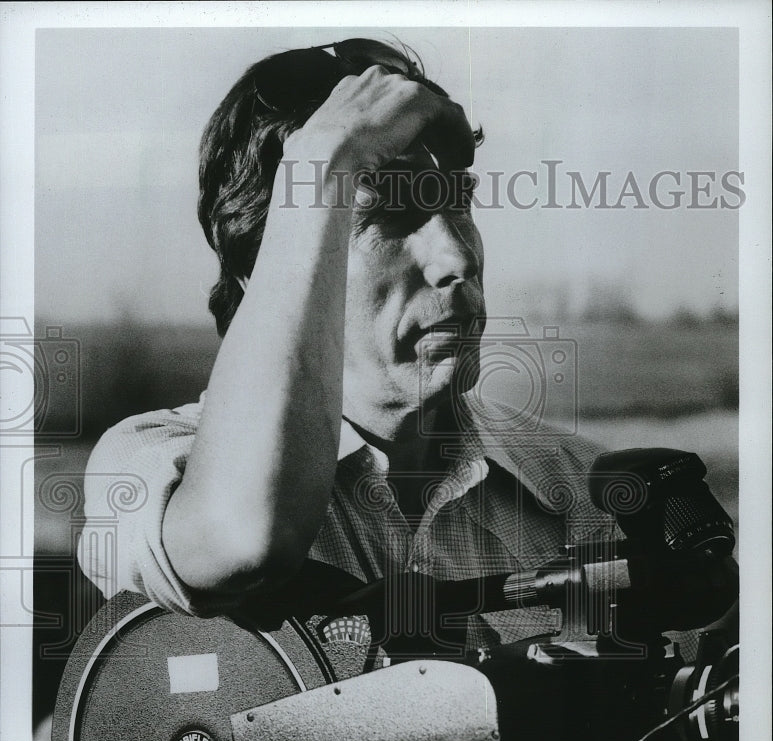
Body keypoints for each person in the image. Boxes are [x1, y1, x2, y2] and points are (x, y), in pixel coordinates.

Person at [77, 37, 612, 658]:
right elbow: (245, 540)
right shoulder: (150, 463)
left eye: (457, 203)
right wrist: (323, 163)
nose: (457, 257)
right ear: (265, 269)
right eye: (388, 212)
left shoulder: (583, 491)